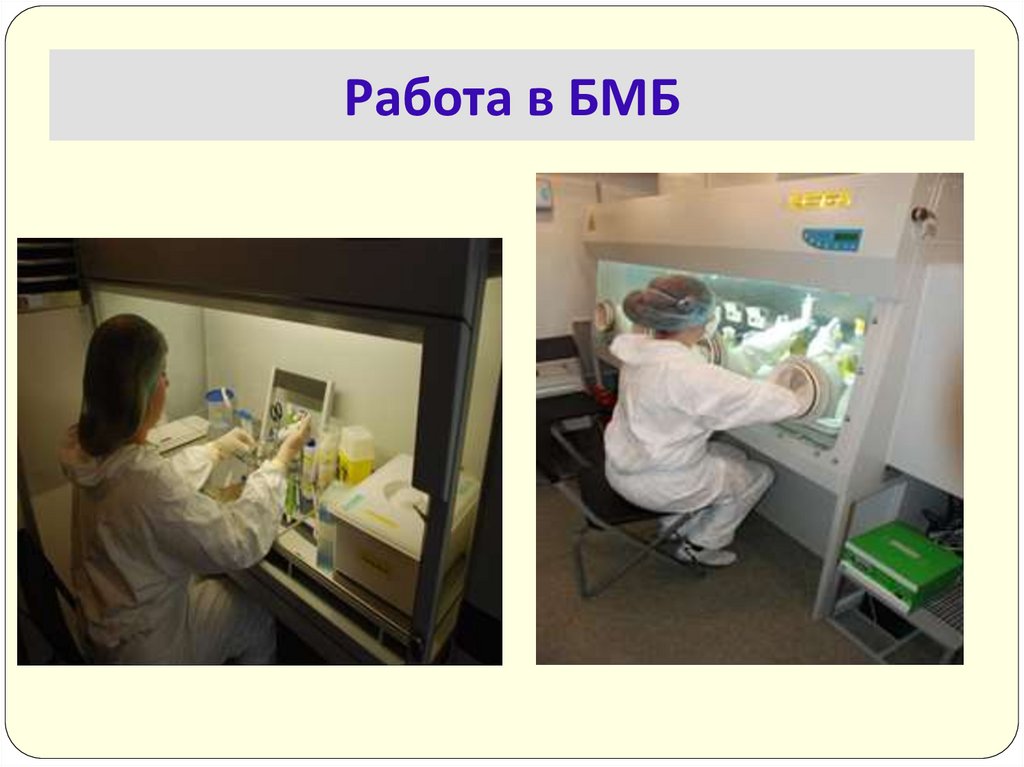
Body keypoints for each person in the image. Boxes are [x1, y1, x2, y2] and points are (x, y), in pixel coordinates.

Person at [59, 314, 310, 663]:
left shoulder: (90, 450)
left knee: (209, 587)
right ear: (140, 392)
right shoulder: (144, 484)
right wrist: (278, 465)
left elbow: (151, 486)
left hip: (106, 631)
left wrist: (213, 450)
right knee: (255, 617)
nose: (168, 382)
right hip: (151, 651)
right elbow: (239, 541)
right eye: (161, 374)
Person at [604, 275, 807, 566]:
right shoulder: (688, 374)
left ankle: (676, 523)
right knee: (759, 475)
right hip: (662, 485)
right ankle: (700, 545)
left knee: (733, 454)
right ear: (698, 320)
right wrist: (799, 392)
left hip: (622, 466)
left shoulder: (640, 350)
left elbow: (730, 367)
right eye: (710, 314)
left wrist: (786, 331)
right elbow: (770, 401)